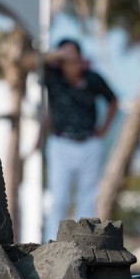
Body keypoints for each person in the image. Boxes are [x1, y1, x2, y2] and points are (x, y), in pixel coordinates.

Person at [42, 39, 118, 240]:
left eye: (72, 54)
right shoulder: (52, 76)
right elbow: (30, 63)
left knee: (88, 199)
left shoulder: (92, 78)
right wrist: (57, 55)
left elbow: (113, 100)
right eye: (64, 56)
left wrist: (104, 129)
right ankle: (51, 243)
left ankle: (84, 243)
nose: (69, 59)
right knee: (59, 199)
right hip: (61, 143)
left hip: (89, 143)